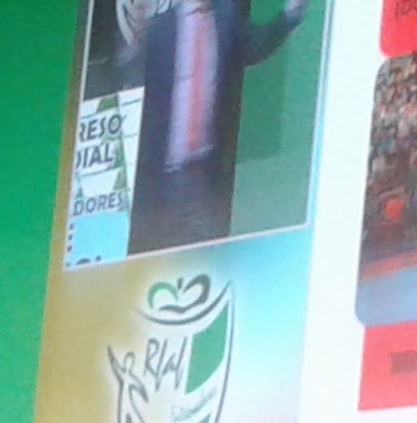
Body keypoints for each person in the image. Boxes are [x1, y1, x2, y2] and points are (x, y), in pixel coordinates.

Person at [121, 0, 308, 253]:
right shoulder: (161, 28)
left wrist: (290, 15)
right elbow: (132, 80)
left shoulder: (226, 20)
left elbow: (257, 45)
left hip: (204, 180)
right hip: (160, 182)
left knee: (206, 258)